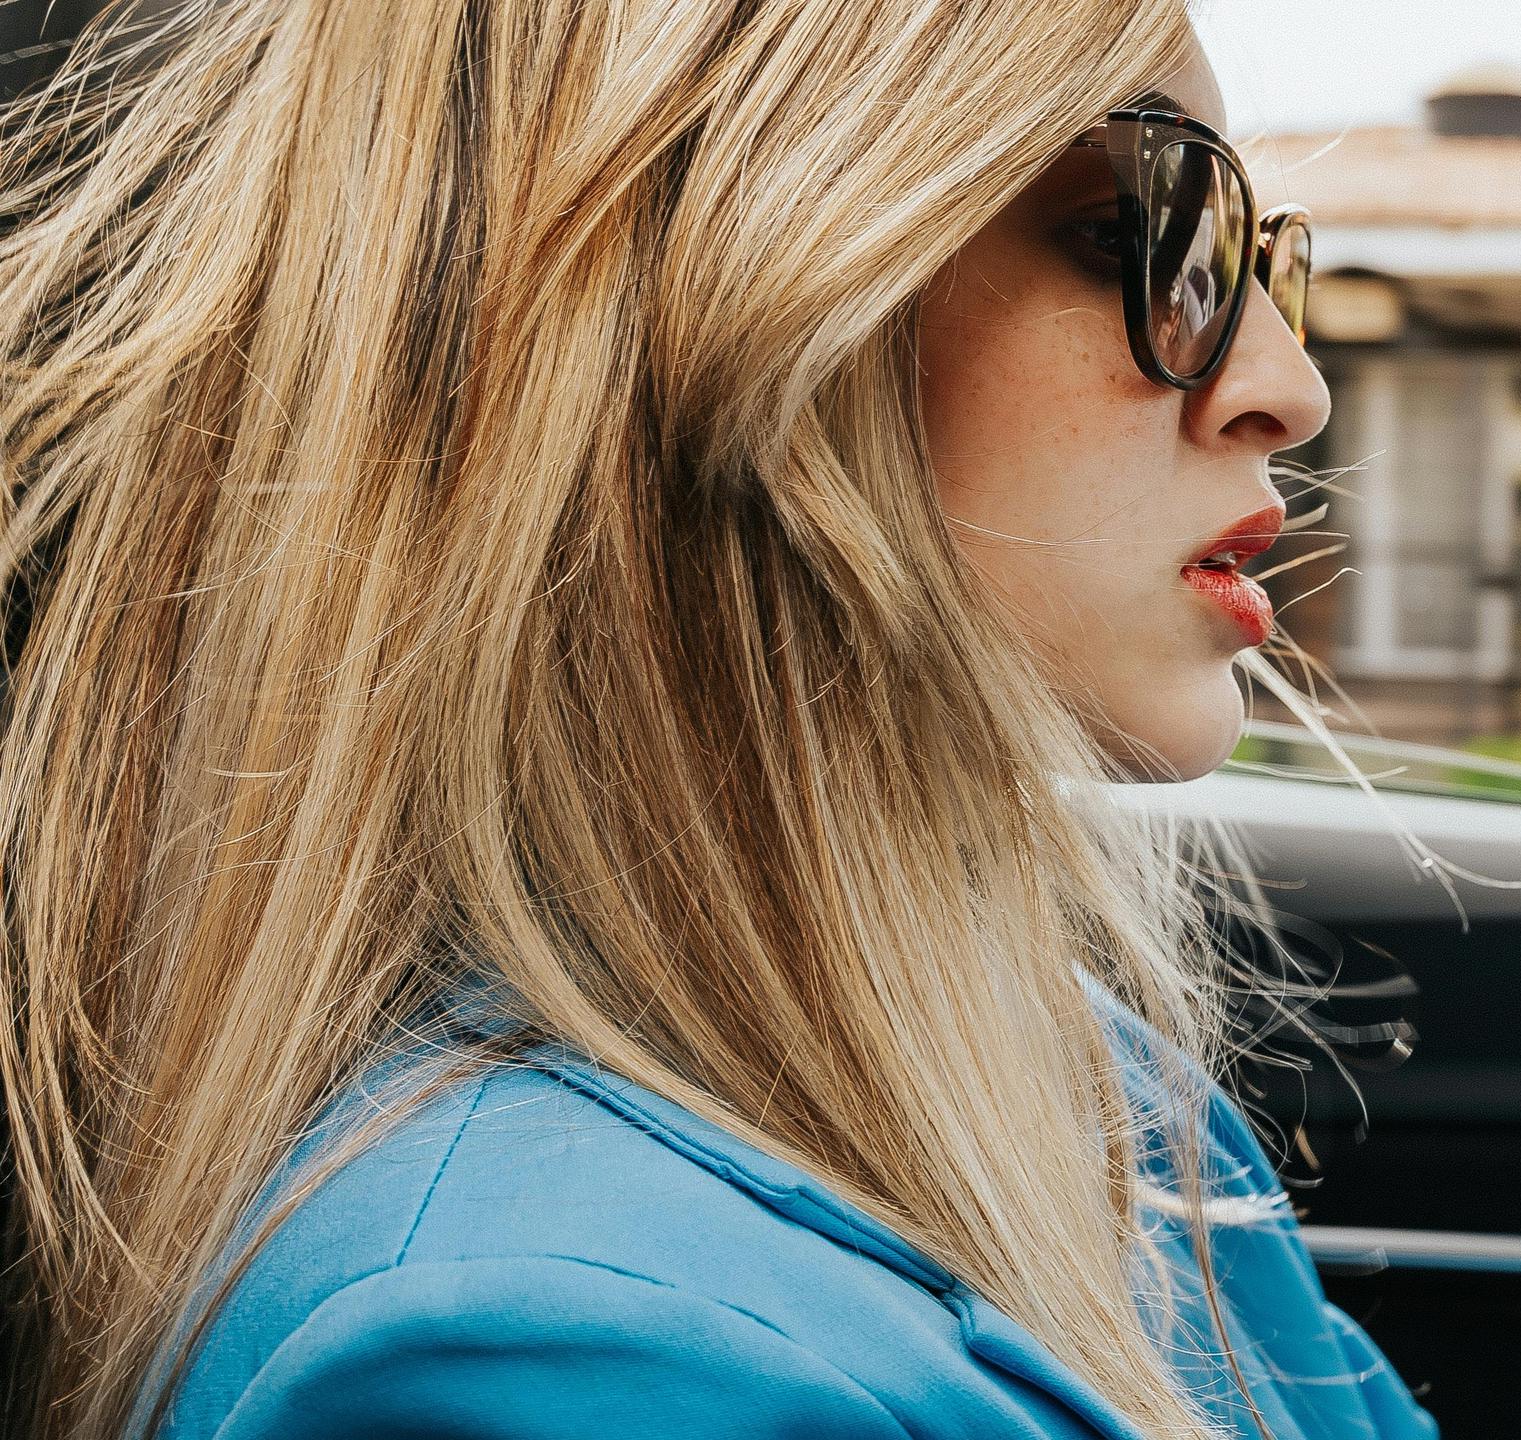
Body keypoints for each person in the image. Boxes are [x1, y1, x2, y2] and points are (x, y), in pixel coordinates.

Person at [0, 1, 1437, 1436]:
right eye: (1145, 236)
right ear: (716, 307)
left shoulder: (1075, 1073)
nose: (1288, 390)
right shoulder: (543, 1356)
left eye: (1259, 264)